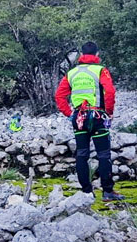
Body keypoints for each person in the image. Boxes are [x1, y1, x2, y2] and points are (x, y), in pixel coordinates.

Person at [54, 41, 125, 201]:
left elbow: (59, 96)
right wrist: (109, 112)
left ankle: (87, 192)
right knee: (104, 154)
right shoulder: (100, 71)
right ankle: (107, 191)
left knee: (82, 153)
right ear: (97, 54)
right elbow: (110, 92)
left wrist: (69, 113)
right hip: (98, 116)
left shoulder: (71, 73)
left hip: (79, 118)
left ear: (81, 55)